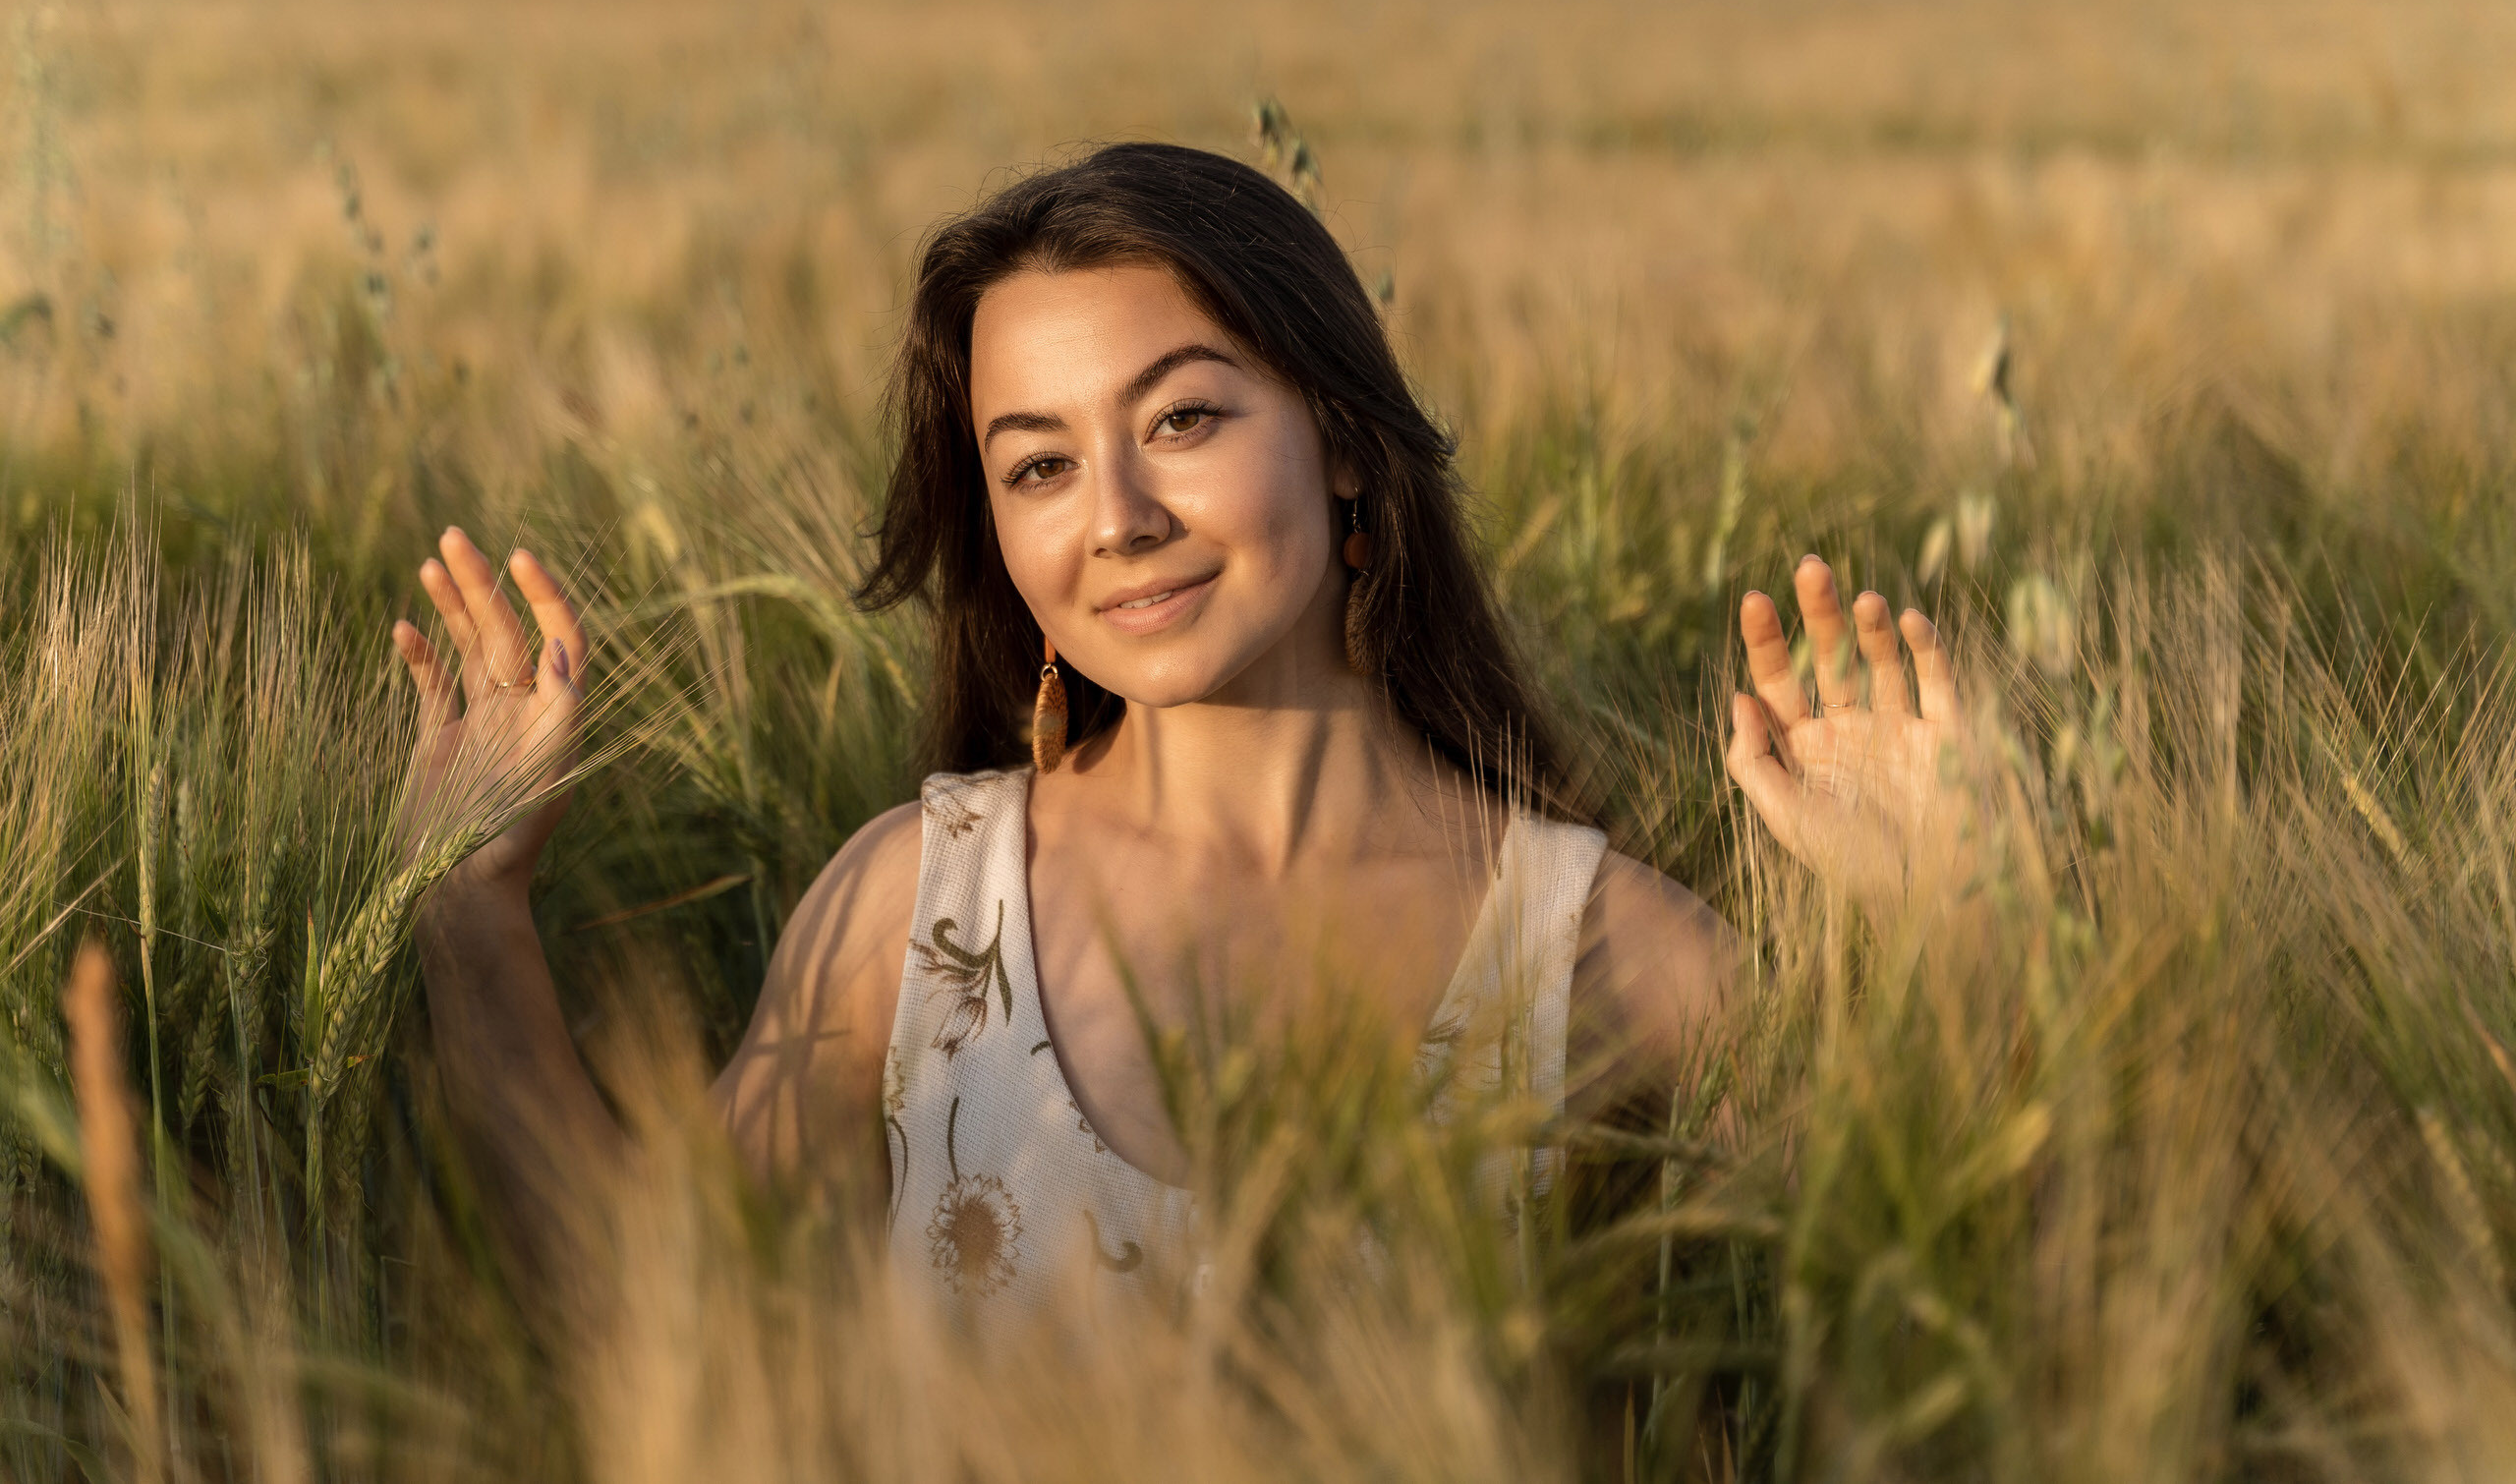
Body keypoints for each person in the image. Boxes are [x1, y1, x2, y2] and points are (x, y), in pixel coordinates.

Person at [392, 143, 1965, 1309]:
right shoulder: (919, 911)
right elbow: (640, 1298)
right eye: (1040, 466)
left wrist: (1947, 930)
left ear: (1342, 440)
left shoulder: (1596, 951)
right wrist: (470, 906)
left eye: (1184, 418)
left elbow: (1913, 1298)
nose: (1120, 518)